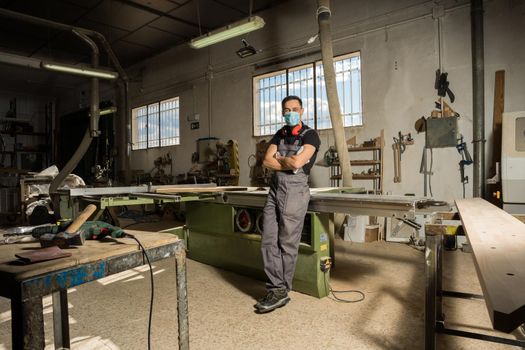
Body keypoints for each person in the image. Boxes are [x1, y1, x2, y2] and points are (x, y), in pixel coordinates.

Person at [255, 95, 321, 313]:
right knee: (268, 239)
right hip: (275, 189)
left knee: (287, 243)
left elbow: (299, 163)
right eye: (286, 109)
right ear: (282, 112)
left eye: (294, 108)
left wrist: (281, 159)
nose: (290, 112)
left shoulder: (310, 135)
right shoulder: (280, 133)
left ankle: (282, 290)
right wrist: (288, 162)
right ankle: (276, 287)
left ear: (301, 111)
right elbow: (266, 161)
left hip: (294, 190)